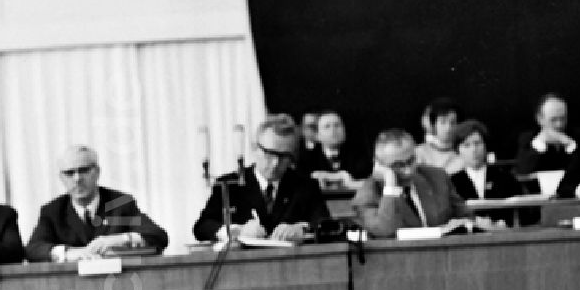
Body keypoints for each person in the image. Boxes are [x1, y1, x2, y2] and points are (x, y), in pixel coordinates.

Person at [193, 113, 329, 242]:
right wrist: (237, 231)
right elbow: (202, 227)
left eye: (284, 157)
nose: (275, 164)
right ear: (254, 148)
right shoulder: (229, 184)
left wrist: (303, 229)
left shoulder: (306, 186)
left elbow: (326, 224)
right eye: (269, 154)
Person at [26, 145, 168, 262]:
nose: (77, 179)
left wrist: (118, 240)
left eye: (84, 170)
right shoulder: (52, 211)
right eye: (70, 173)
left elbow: (158, 236)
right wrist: (68, 253)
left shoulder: (120, 203)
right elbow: (33, 250)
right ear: (61, 178)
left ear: (97, 172)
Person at [352, 128, 488, 238]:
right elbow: (385, 231)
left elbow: (466, 216)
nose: (408, 171)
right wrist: (390, 186)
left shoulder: (437, 177)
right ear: (379, 164)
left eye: (411, 161)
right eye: (397, 165)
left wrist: (461, 223)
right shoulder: (367, 195)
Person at [449, 120, 521, 226]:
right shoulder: (452, 182)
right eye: (466, 145)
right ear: (458, 150)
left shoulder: (504, 177)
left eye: (477, 143)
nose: (473, 150)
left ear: (485, 145)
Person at [296, 110, 372, 191]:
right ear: (317, 135)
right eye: (327, 126)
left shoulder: (359, 156)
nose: (333, 130)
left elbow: (371, 184)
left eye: (337, 125)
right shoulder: (306, 159)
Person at [515, 93, 580, 178]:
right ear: (540, 119)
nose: (559, 125)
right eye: (553, 120)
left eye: (563, 118)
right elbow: (523, 172)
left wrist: (570, 145)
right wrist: (540, 143)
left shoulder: (578, 137)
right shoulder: (527, 139)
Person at [414, 97, 463, 174]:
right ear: (433, 125)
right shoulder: (418, 153)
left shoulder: (462, 155)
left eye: (453, 123)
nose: (448, 128)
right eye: (443, 122)